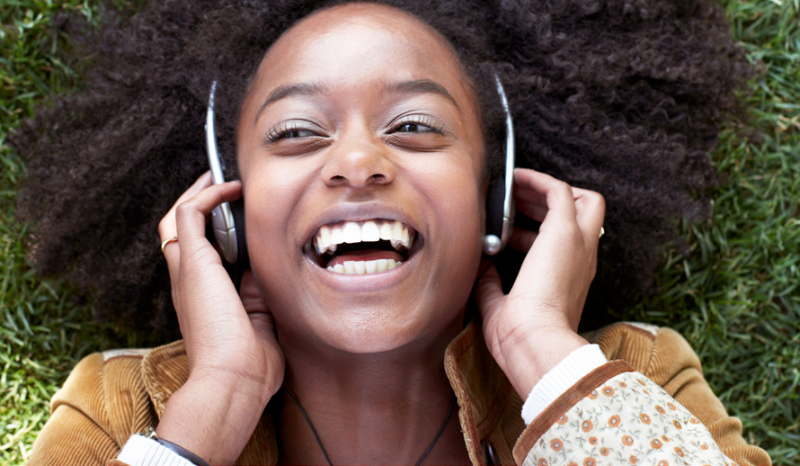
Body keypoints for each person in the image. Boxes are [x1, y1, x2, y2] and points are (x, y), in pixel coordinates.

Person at [15, 0, 769, 465]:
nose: (357, 164)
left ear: (497, 194)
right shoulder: (121, 407)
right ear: (225, 209)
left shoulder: (634, 375)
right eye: (297, 131)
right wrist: (211, 409)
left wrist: (544, 353)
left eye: (413, 125)